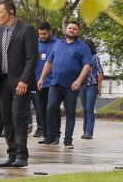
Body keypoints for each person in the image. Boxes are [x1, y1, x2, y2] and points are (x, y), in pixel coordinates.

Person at [0, 0, 38, 167]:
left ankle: (22, 156)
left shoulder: (26, 29)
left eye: (0, 12)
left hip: (20, 81)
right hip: (2, 81)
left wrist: (24, 80)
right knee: (6, 118)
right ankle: (12, 154)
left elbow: (31, 58)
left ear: (11, 13)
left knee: (18, 117)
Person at [37, 20, 92, 149]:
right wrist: (42, 78)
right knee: (50, 109)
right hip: (55, 84)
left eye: (74, 29)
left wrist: (78, 81)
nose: (72, 30)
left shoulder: (83, 46)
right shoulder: (58, 44)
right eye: (70, 28)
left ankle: (68, 141)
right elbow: (49, 62)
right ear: (65, 30)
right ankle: (51, 137)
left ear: (78, 31)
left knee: (70, 113)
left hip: (71, 86)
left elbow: (87, 65)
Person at [33, 22, 58, 138]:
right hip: (39, 82)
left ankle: (55, 133)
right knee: (42, 109)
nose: (42, 36)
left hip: (53, 81)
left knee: (52, 108)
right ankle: (45, 134)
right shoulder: (35, 43)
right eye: (40, 34)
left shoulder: (58, 43)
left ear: (50, 32)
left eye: (44, 34)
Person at [79, 38, 104, 140]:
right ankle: (85, 131)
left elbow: (100, 72)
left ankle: (89, 132)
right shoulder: (80, 58)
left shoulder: (95, 57)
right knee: (84, 109)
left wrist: (98, 86)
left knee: (89, 109)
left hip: (91, 85)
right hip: (82, 85)